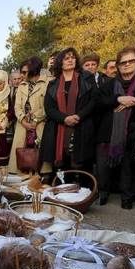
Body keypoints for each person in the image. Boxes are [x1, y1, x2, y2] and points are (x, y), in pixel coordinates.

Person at [94, 47, 135, 209]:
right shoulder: (108, 85)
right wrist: (119, 98)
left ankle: (127, 197)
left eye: (131, 61)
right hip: (108, 131)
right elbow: (99, 102)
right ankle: (103, 192)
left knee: (128, 167)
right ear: (117, 65)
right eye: (122, 62)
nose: (126, 65)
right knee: (102, 165)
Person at [39, 47, 97, 180]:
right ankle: (63, 193)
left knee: (83, 164)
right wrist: (65, 118)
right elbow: (49, 108)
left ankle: (85, 194)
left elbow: (94, 101)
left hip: (82, 126)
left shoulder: (87, 77)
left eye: (73, 57)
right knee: (63, 165)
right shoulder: (53, 83)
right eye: (66, 58)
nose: (70, 60)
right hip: (58, 128)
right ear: (60, 62)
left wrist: (79, 116)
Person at [9, 56, 51, 174]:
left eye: (24, 72)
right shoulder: (22, 86)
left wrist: (36, 119)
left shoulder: (47, 83)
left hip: (40, 126)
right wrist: (23, 120)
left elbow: (48, 106)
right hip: (23, 126)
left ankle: (38, 185)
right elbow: (16, 106)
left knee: (40, 161)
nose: (21, 75)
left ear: (33, 70)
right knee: (21, 160)